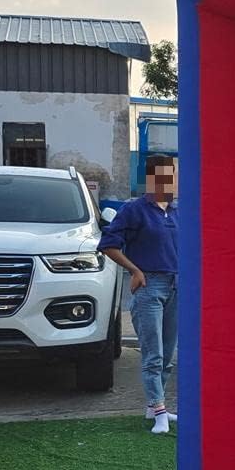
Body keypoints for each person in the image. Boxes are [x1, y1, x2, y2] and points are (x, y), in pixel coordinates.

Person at [100, 155, 179, 435]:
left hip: (175, 286)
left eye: (173, 174)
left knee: (168, 354)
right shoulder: (135, 210)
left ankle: (154, 406)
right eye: (167, 175)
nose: (172, 181)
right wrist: (135, 270)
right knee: (153, 353)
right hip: (149, 287)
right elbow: (108, 244)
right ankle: (159, 410)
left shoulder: (176, 211)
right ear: (152, 179)